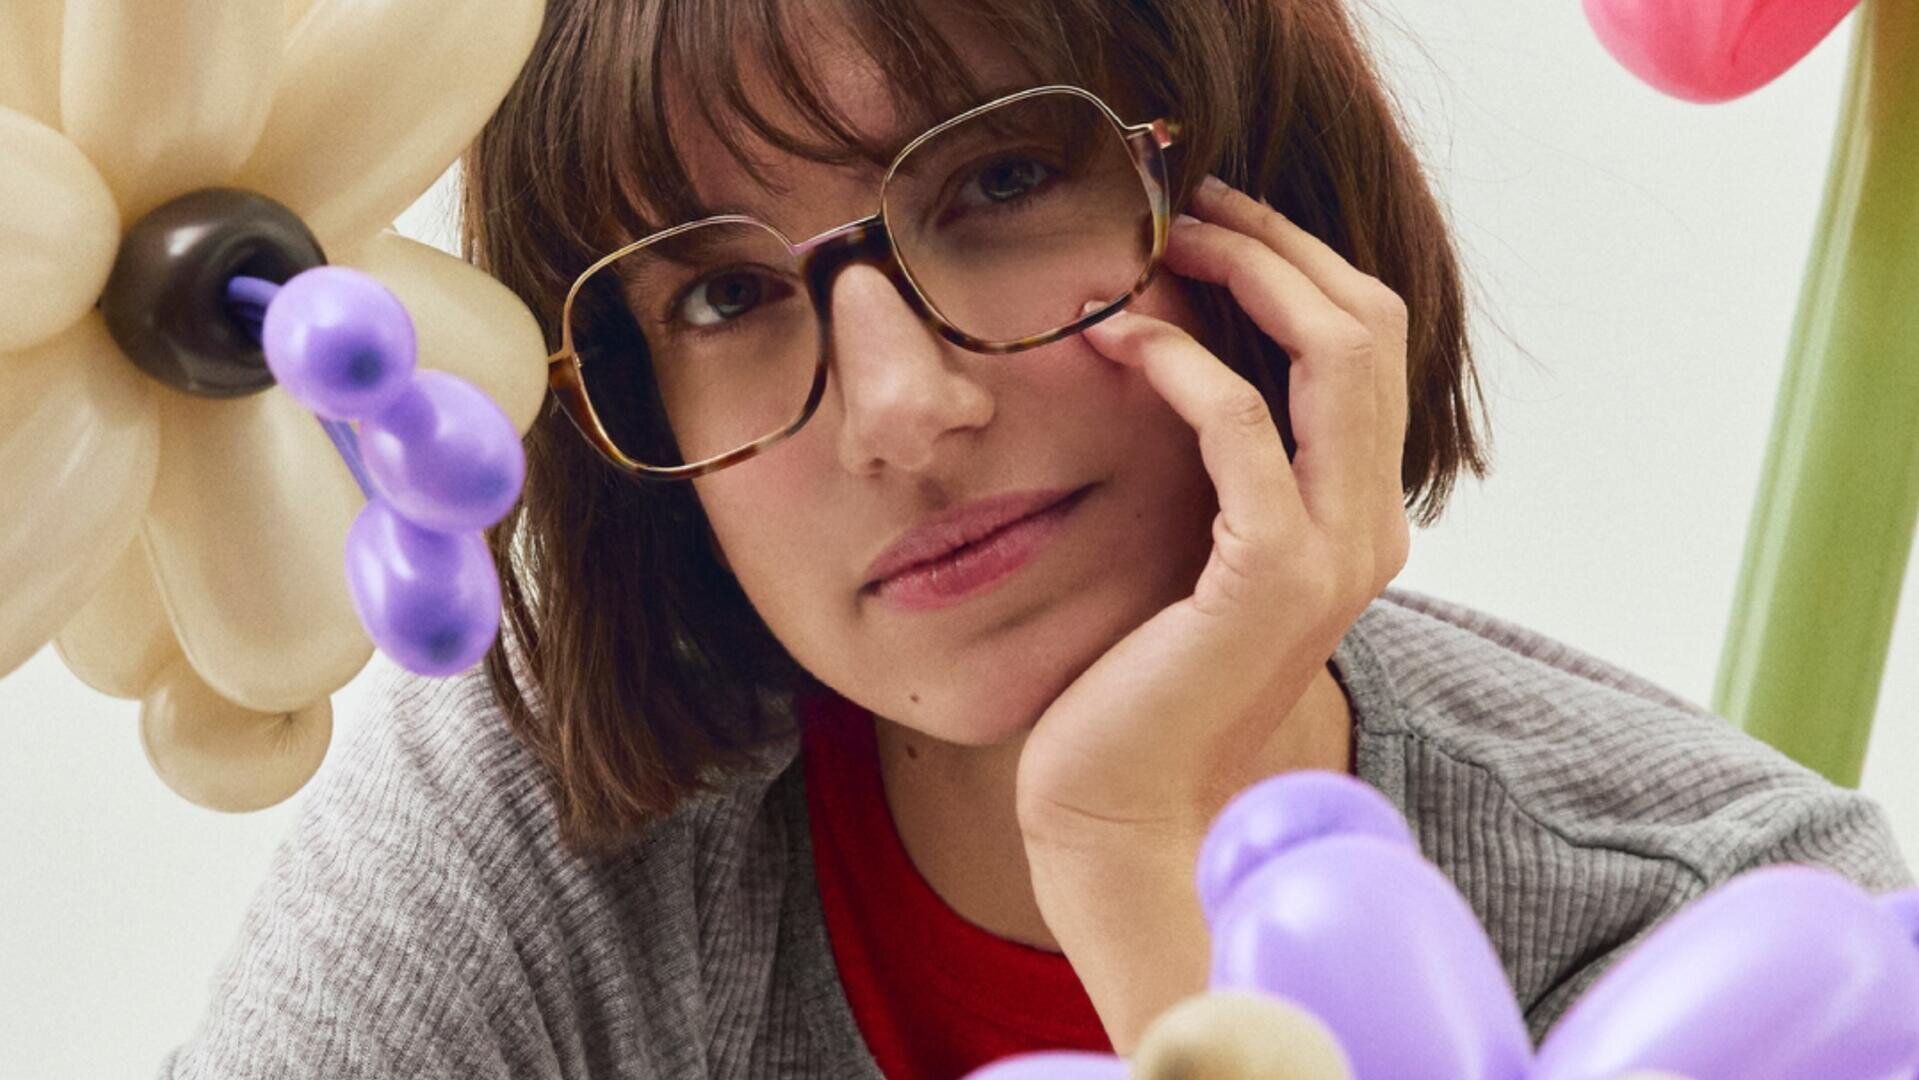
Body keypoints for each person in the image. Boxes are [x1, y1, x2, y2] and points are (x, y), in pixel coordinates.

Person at [161, 0, 1913, 1077]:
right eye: (720, 296)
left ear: (1260, 219)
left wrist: (1130, 853)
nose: (901, 407)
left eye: (996, 184)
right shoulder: (539, 822)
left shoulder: (1731, 933)